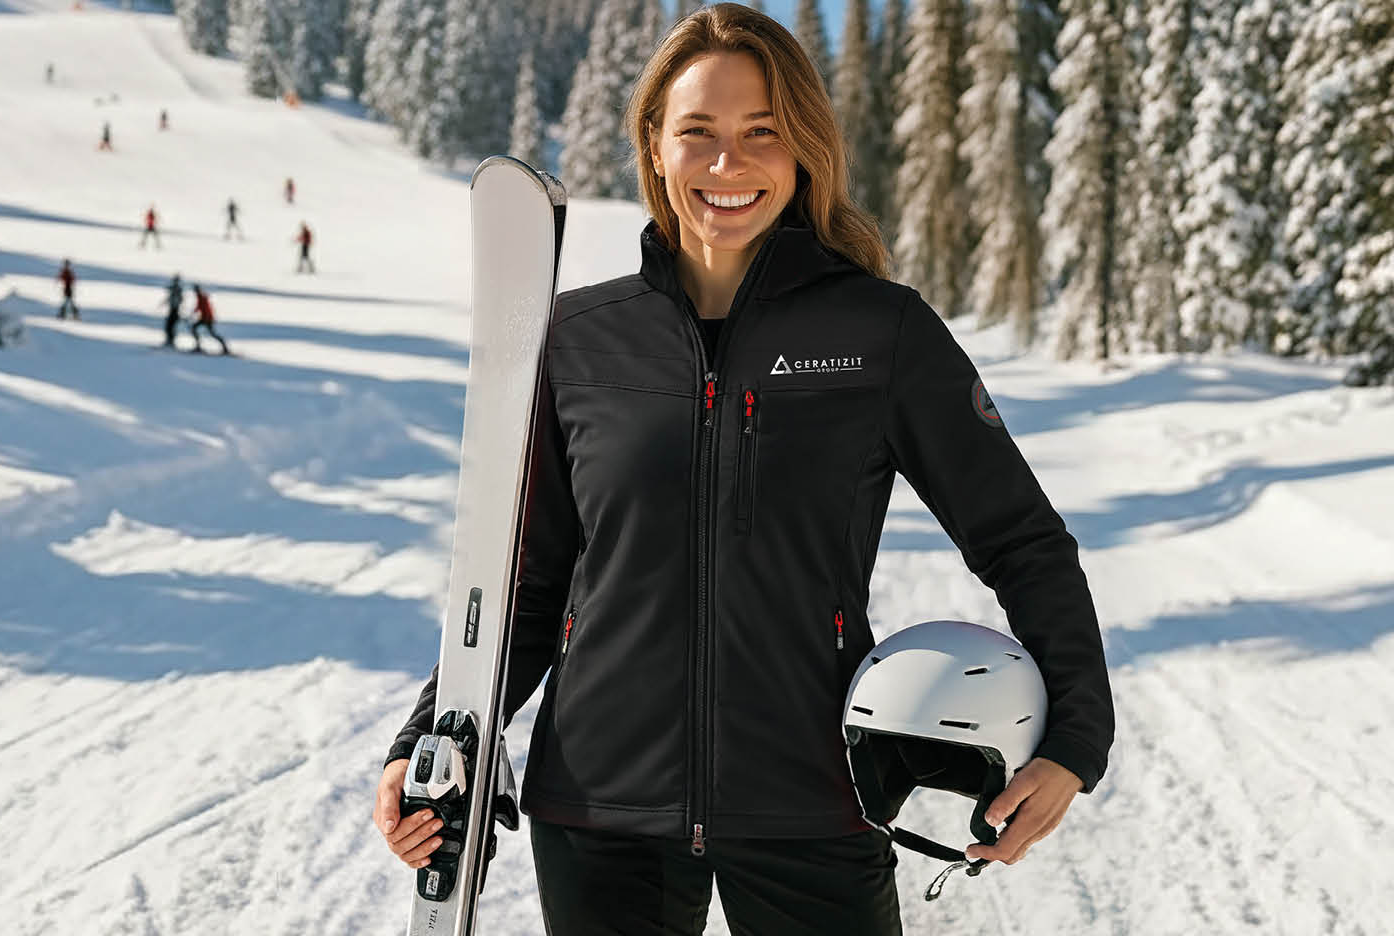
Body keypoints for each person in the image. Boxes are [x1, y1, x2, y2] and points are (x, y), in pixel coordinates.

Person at [370, 7, 1112, 936]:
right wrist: (430, 738)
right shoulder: (578, 340)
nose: (729, 165)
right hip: (602, 810)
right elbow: (523, 584)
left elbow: (1022, 541)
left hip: (811, 801)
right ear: (654, 145)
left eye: (761, 132)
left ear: (803, 147)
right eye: (699, 133)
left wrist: (1077, 741)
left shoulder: (878, 333)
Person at [188, 285, 229, 355]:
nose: (195, 292)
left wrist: (207, 319)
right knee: (194, 328)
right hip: (204, 318)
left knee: (212, 333)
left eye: (196, 290)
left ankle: (225, 348)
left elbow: (206, 309)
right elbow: (199, 307)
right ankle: (198, 346)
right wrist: (193, 313)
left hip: (207, 319)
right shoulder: (200, 297)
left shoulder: (202, 297)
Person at [161, 273, 185, 348]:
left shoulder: (178, 289)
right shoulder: (175, 289)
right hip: (172, 310)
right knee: (169, 327)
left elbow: (179, 299)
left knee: (170, 327)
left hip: (175, 311)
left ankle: (171, 341)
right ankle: (169, 341)